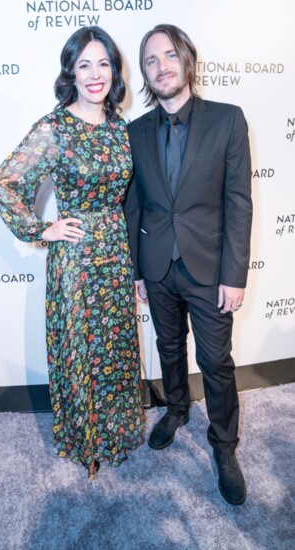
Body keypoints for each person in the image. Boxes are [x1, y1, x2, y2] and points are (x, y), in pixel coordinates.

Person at [0, 26, 145, 479]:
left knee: (114, 348)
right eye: (84, 65)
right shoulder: (54, 127)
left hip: (115, 253)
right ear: (70, 73)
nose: (95, 74)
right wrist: (41, 229)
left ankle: (115, 434)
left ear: (114, 71)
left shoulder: (119, 127)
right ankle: (86, 442)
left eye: (103, 63)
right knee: (79, 350)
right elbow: (3, 184)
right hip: (74, 258)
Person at [125, 24, 252, 504]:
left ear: (187, 60)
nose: (161, 66)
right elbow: (134, 205)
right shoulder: (134, 132)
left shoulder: (227, 119)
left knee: (216, 362)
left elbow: (239, 202)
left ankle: (224, 445)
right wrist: (138, 268)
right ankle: (176, 408)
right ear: (145, 73)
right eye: (151, 60)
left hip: (210, 266)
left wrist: (234, 275)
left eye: (169, 55)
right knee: (169, 345)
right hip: (157, 263)